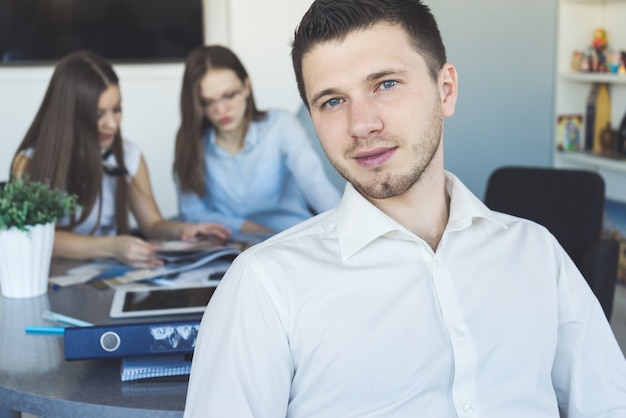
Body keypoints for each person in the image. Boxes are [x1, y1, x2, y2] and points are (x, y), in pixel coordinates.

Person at [184, 0, 626, 416]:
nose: (362, 124)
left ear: (446, 89)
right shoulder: (264, 285)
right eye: (333, 101)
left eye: (386, 84)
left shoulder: (536, 252)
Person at [11, 51, 230, 268]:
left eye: (116, 110)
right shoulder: (28, 164)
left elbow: (152, 224)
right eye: (98, 115)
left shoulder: (128, 155)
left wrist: (185, 230)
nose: (112, 124)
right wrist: (113, 246)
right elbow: (41, 238)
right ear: (70, 114)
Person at [173, 45, 341, 236]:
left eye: (229, 95)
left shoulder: (280, 125)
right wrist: (243, 226)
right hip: (232, 248)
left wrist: (345, 222)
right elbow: (192, 212)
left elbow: (313, 182)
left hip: (289, 239)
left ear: (246, 87)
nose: (221, 110)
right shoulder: (193, 145)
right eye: (208, 102)